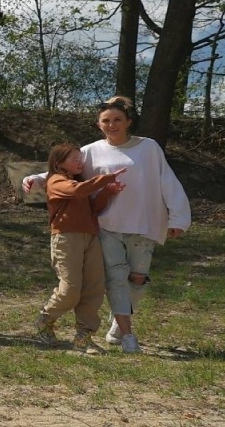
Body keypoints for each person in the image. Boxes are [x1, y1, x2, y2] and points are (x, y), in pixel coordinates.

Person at [25, 96, 189, 353]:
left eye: (117, 120)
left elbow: (168, 181)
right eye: (106, 121)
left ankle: (116, 324)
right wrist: (35, 177)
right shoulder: (91, 150)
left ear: (128, 122)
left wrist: (178, 217)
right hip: (104, 226)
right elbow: (63, 172)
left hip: (143, 224)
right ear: (98, 124)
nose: (112, 125)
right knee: (111, 279)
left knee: (136, 279)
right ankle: (116, 333)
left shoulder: (149, 147)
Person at [34, 142, 126, 350]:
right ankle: (45, 319)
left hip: (90, 237)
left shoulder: (79, 183)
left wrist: (107, 192)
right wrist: (106, 178)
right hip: (66, 239)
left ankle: (84, 337)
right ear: (59, 164)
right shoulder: (56, 181)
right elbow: (76, 191)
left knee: (94, 287)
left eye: (80, 158)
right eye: (74, 159)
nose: (79, 162)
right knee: (71, 289)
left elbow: (92, 207)